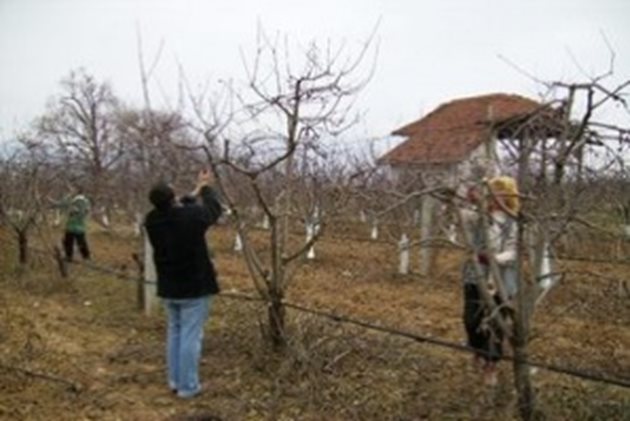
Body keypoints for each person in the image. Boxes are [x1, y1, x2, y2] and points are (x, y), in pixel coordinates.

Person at [144, 169, 223, 399]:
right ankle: (188, 386)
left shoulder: (152, 219)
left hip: (169, 286)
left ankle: (175, 380)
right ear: (172, 198)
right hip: (194, 287)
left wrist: (196, 190)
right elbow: (213, 210)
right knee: (190, 336)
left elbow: (179, 207)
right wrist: (207, 188)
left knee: (175, 333)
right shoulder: (190, 217)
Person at [460, 176, 520, 386]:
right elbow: (463, 216)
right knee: (471, 319)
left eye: (498, 192)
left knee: (496, 324)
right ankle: (477, 349)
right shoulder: (481, 216)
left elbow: (515, 251)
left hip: (501, 279)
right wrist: (469, 200)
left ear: (508, 196)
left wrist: (494, 259)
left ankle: (490, 365)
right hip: (474, 276)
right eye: (491, 192)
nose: (493, 196)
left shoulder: (514, 221)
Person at [52, 187, 92, 262]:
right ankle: (69, 257)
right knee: (68, 241)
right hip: (71, 225)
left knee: (81, 242)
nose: (71, 191)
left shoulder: (83, 201)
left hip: (78, 225)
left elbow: (84, 212)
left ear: (77, 191)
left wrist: (76, 211)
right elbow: (61, 204)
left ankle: (86, 257)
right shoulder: (71, 199)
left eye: (72, 189)